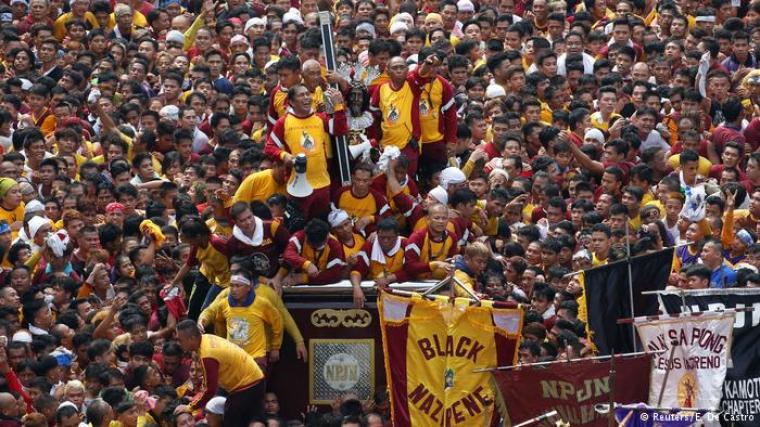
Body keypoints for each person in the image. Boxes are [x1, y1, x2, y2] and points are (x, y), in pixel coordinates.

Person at [173, 320, 266, 427]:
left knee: (231, 422)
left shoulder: (207, 355)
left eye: (180, 340)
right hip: (254, 380)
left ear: (192, 339)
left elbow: (210, 390)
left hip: (247, 386)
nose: (179, 344)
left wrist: (189, 407)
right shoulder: (206, 338)